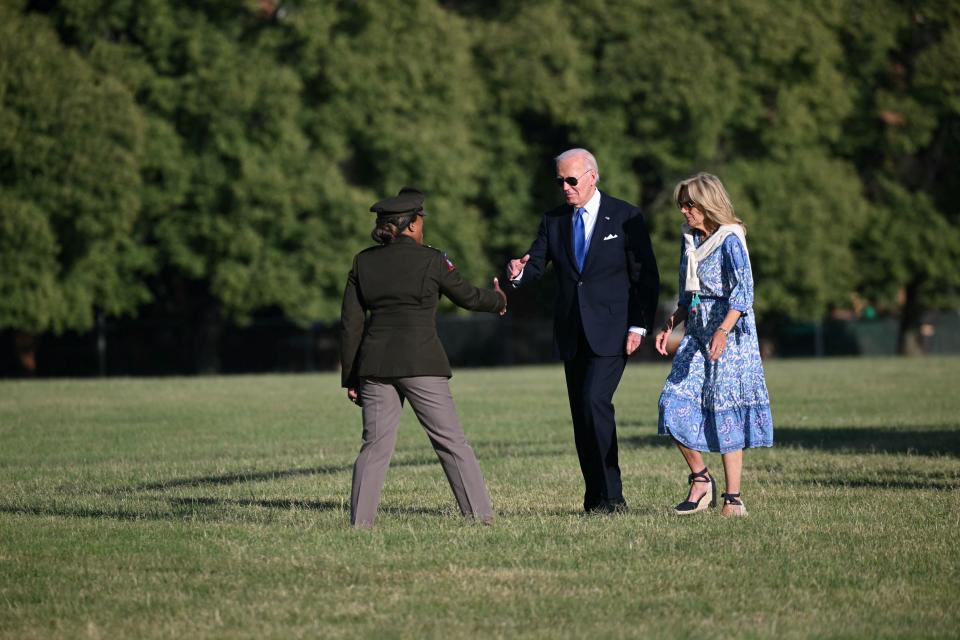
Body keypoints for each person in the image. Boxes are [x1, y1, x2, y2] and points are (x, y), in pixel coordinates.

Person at [340, 187, 508, 528]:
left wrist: (352, 376)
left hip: (374, 366)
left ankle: (360, 525)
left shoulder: (363, 261)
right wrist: (499, 300)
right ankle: (479, 518)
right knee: (451, 442)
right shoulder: (432, 259)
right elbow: (468, 297)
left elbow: (351, 323)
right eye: (421, 220)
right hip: (421, 363)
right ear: (413, 224)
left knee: (374, 447)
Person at [507, 149, 660, 514]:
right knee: (582, 415)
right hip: (572, 332)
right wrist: (518, 273)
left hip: (613, 331)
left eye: (571, 180)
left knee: (595, 401)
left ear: (592, 176)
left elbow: (646, 278)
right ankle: (595, 499)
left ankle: (614, 495)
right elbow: (536, 264)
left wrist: (639, 324)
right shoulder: (553, 220)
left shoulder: (626, 217)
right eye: (559, 180)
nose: (565, 187)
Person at [654, 172, 774, 518]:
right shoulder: (689, 239)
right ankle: (701, 479)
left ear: (708, 205)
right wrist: (672, 321)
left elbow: (744, 292)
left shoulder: (731, 239)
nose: (684, 211)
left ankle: (733, 499)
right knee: (670, 402)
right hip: (697, 327)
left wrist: (722, 330)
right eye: (681, 205)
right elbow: (687, 291)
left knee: (726, 411)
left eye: (689, 204)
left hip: (730, 333)